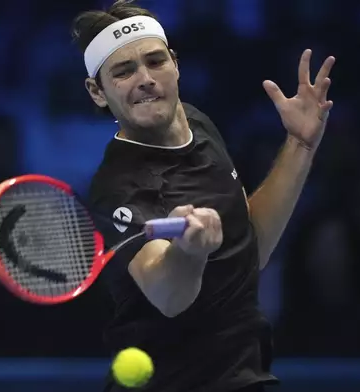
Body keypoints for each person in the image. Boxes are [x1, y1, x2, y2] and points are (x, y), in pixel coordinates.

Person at [73, 1, 335, 391]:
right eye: (124, 71)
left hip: (244, 375)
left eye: (155, 61)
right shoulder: (119, 187)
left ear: (175, 64)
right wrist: (188, 253)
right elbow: (168, 294)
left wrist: (300, 144)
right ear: (98, 91)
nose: (145, 78)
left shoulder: (197, 122)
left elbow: (250, 249)